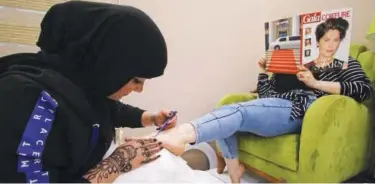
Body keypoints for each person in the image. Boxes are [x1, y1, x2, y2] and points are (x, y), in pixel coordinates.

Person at [0, 1, 177, 183]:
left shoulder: (82, 84)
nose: (139, 90)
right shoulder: (24, 99)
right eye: (136, 80)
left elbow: (106, 109)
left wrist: (152, 118)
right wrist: (116, 164)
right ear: (109, 67)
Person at [154, 54, 373, 183]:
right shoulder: (297, 62)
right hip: (280, 107)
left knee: (237, 112)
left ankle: (182, 134)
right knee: (227, 109)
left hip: (303, 110)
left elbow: (364, 90)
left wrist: (316, 83)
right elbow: (268, 96)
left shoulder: (344, 62)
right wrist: (265, 71)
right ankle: (234, 170)